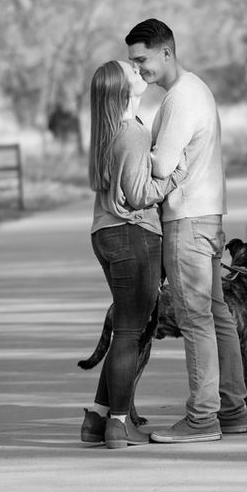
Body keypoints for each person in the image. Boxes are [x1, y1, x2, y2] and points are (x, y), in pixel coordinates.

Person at [125, 18, 247, 444]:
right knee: (215, 316)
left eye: (142, 59)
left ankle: (202, 419)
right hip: (209, 217)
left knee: (195, 319)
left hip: (187, 221)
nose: (138, 68)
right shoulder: (196, 89)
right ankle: (232, 410)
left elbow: (160, 167)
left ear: (166, 52)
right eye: (132, 62)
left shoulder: (179, 98)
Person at [83, 59, 182, 450]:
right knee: (130, 332)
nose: (140, 73)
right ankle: (120, 425)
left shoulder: (107, 131)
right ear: (122, 91)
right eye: (133, 73)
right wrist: (176, 176)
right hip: (133, 235)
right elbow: (141, 195)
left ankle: (97, 418)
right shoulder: (132, 133)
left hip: (105, 233)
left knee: (126, 327)